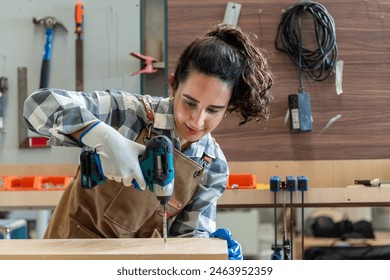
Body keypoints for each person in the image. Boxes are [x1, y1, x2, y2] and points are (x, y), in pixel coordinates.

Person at [23, 23, 273, 260]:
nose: (197, 121)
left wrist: (206, 250)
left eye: (213, 110)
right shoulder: (130, 113)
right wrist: (102, 136)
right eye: (190, 102)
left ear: (227, 107)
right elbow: (37, 107)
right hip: (70, 258)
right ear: (173, 84)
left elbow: (186, 240)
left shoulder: (213, 165)